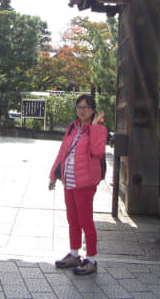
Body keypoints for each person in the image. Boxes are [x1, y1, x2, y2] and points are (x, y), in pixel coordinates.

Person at [49, 94, 108, 275]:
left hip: (85, 183)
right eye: (79, 107)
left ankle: (91, 259)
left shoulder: (98, 130)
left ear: (92, 110)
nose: (82, 111)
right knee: (72, 220)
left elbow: (98, 152)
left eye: (86, 107)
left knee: (86, 221)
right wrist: (53, 175)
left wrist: (96, 127)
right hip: (69, 180)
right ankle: (74, 254)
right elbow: (62, 152)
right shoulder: (72, 128)